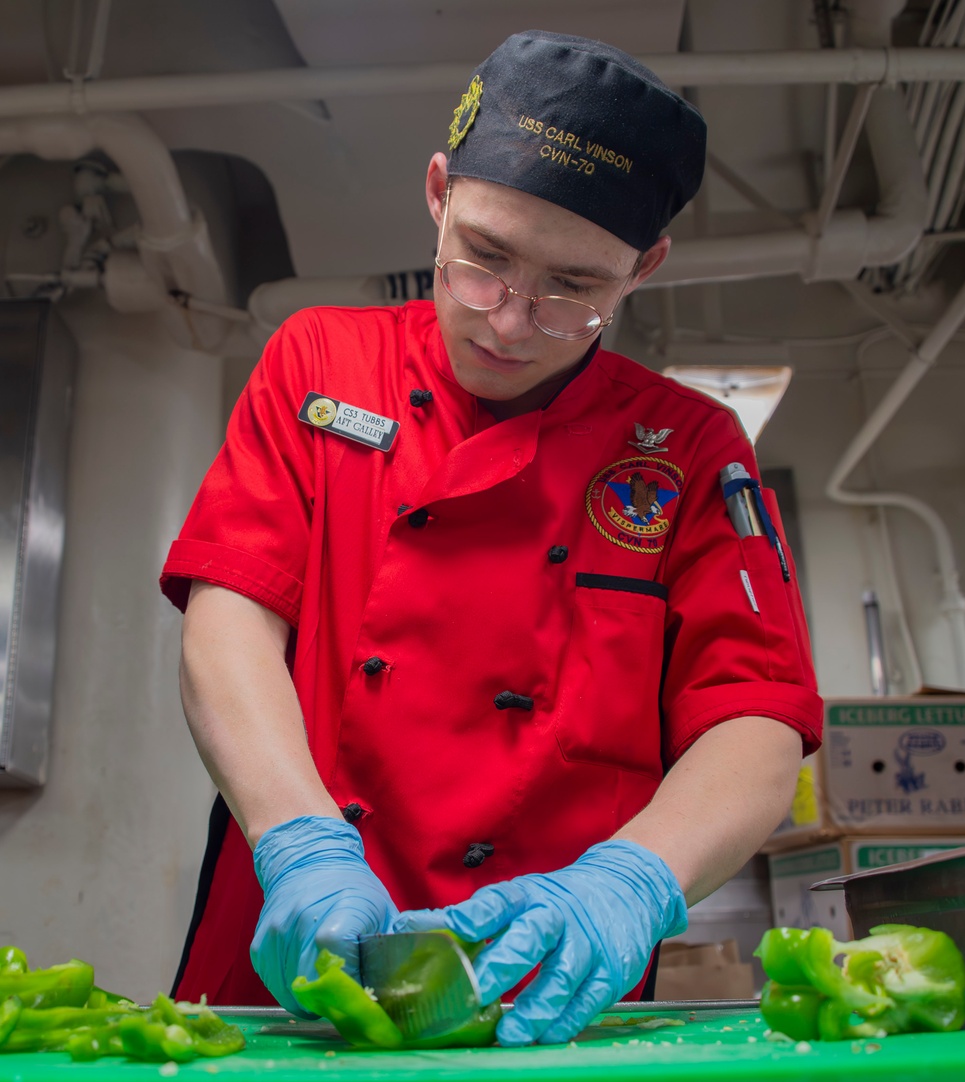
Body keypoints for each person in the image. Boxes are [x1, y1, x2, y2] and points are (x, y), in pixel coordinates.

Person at [160, 29, 822, 1046]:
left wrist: (631, 878)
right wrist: (298, 840)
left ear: (643, 266)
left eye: (573, 288)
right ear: (437, 193)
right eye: (485, 258)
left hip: (541, 988)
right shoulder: (319, 363)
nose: (510, 321)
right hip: (297, 971)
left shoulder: (689, 447)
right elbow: (230, 616)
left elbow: (756, 720)